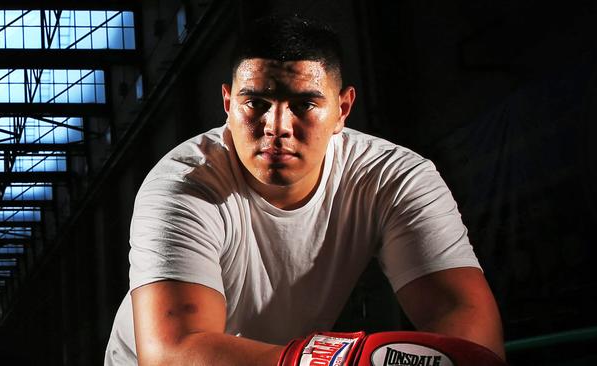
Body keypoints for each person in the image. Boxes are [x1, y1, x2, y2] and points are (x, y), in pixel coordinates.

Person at [104, 15, 505, 366]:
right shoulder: (182, 184)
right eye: (256, 103)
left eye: (303, 105)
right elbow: (173, 354)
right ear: (227, 103)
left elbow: (466, 325)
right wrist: (329, 361)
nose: (276, 125)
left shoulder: (393, 177)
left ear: (341, 111)